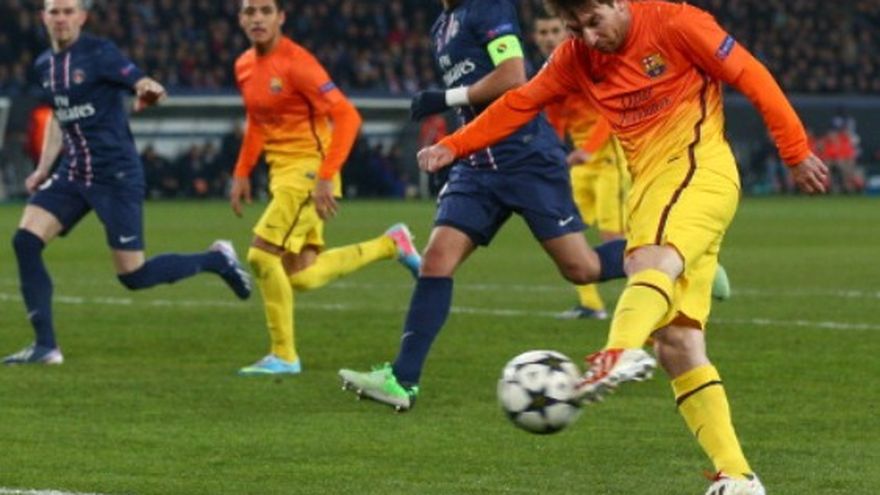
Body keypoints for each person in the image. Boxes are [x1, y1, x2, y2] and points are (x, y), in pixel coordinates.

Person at [414, 1, 829, 493]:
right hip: (649, 187)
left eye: (594, 22)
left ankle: (617, 352)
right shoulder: (575, 56)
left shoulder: (677, 23)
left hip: (696, 168)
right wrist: (455, 144)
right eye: (575, 28)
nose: (588, 38)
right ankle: (737, 476)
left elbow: (751, 75)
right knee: (677, 344)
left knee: (647, 261)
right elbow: (521, 102)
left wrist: (795, 152)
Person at [338, 0, 628, 412]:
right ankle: (402, 380)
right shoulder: (442, 25)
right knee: (436, 260)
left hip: (525, 156)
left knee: (582, 268)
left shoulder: (489, 7)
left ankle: (669, 256)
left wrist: (445, 97)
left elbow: (513, 76)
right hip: (476, 164)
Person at [3, 0, 253, 366]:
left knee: (134, 276)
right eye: (54, 11)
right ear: (43, 17)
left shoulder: (100, 53)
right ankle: (45, 346)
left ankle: (216, 259)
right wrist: (42, 169)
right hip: (73, 172)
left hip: (115, 175)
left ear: (82, 17)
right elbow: (59, 116)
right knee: (25, 241)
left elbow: (144, 83)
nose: (61, 18)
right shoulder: (44, 65)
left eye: (68, 11)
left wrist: (149, 90)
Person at [232, 0, 421, 376]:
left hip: (309, 174)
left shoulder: (298, 63)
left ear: (280, 17)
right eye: (250, 11)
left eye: (265, 10)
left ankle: (284, 356)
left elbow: (348, 116)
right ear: (241, 19)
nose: (257, 18)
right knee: (300, 275)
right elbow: (257, 119)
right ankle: (391, 245)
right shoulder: (244, 65)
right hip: (282, 176)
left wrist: (325, 177)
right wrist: (241, 172)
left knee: (261, 256)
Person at [533, 8, 731, 319]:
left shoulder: (596, 58)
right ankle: (591, 304)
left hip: (610, 161)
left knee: (613, 235)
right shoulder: (560, 68)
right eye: (542, 33)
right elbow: (556, 119)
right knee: (567, 234)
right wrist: (555, 155)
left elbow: (611, 113)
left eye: (554, 31)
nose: (548, 38)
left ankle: (673, 274)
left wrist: (589, 149)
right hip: (578, 165)